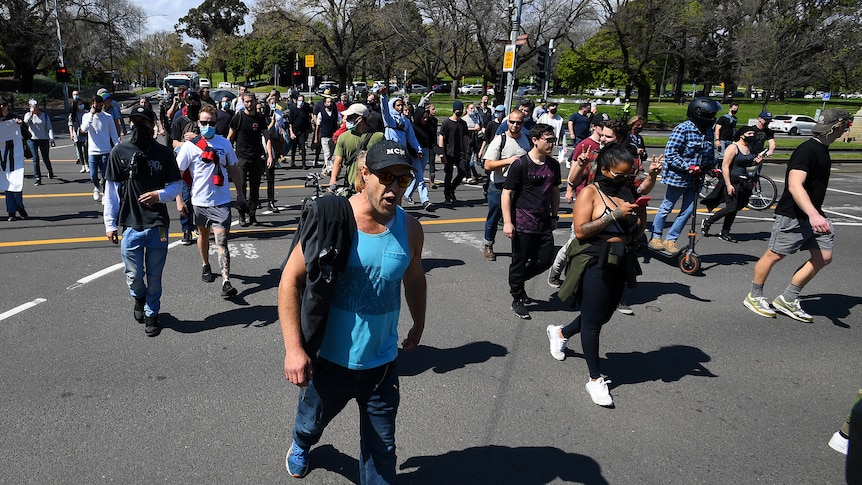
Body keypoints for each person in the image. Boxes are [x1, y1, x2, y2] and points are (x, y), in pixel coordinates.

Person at [278, 139, 426, 482]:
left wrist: (419, 323)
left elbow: (415, 279)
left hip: (382, 365)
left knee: (382, 452)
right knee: (312, 421)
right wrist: (294, 349)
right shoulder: (335, 221)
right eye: (386, 176)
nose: (394, 187)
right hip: (330, 361)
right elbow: (289, 280)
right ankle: (301, 443)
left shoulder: (411, 229)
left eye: (403, 179)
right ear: (364, 174)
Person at [546, 142, 646, 407]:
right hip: (594, 260)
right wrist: (614, 214)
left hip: (619, 259)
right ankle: (594, 379)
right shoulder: (590, 192)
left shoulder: (625, 191)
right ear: (604, 169)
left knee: (602, 315)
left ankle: (561, 333)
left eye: (629, 175)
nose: (626, 180)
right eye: (620, 174)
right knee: (592, 323)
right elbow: (580, 231)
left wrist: (641, 214)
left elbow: (635, 234)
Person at [743, 108, 851, 323]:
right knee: (774, 254)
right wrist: (813, 215)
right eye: (846, 125)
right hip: (793, 215)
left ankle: (788, 298)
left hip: (813, 215)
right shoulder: (807, 150)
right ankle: (754, 296)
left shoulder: (822, 149)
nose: (846, 129)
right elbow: (794, 185)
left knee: (823, 257)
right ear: (837, 126)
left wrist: (815, 214)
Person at [103, 106, 183, 337]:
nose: (138, 126)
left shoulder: (164, 153)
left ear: (152, 126)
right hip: (130, 224)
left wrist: (160, 195)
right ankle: (139, 297)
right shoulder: (119, 151)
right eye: (134, 121)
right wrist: (110, 224)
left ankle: (151, 313)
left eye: (143, 122)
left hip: (157, 224)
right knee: (134, 275)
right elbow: (111, 190)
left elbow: (176, 185)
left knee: (155, 276)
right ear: (129, 125)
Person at [176, 105, 248, 299]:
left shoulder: (224, 144)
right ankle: (205, 264)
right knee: (203, 236)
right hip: (199, 201)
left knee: (222, 241)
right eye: (204, 122)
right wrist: (179, 200)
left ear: (217, 124)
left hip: (221, 201)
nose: (208, 125)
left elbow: (233, 169)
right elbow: (178, 175)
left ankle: (226, 281)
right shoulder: (190, 147)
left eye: (212, 123)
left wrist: (240, 194)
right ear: (198, 123)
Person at [502, 123, 561, 320]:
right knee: (518, 262)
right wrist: (508, 222)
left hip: (544, 221)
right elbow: (507, 192)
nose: (552, 143)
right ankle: (517, 297)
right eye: (548, 139)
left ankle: (517, 281)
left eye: (553, 140)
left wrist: (554, 216)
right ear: (535, 140)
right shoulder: (521, 164)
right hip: (522, 222)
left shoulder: (553, 165)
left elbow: (554, 191)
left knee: (546, 259)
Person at [648, 97, 720, 255]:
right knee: (667, 207)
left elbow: (708, 154)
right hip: (678, 178)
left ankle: (670, 240)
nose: (711, 118)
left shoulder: (708, 131)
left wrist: (712, 168)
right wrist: (689, 167)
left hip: (696, 179)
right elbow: (671, 154)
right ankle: (655, 237)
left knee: (688, 211)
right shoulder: (683, 129)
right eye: (709, 115)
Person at [701, 125, 765, 241]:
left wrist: (757, 162)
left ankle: (725, 232)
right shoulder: (733, 147)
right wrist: (728, 184)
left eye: (753, 134)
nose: (752, 136)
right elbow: (725, 167)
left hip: (743, 181)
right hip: (732, 180)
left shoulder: (749, 147)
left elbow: (748, 165)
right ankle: (708, 221)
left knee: (735, 208)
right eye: (749, 134)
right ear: (742, 135)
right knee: (731, 208)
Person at [482, 109, 531, 261]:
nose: (515, 125)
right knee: (494, 217)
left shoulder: (526, 139)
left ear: (523, 123)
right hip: (499, 185)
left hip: (518, 186)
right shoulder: (500, 140)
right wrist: (508, 161)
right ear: (507, 122)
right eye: (512, 122)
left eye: (519, 122)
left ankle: (519, 248)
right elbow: (488, 165)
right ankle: (488, 244)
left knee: (519, 218)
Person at [228, 93, 274, 226]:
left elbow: (267, 137)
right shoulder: (238, 117)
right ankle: (242, 214)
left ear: (255, 102)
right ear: (243, 102)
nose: (249, 104)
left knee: (255, 188)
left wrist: (269, 155)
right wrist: (227, 155)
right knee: (241, 186)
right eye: (246, 101)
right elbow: (230, 138)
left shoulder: (260, 118)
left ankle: (252, 215)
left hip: (256, 157)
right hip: (241, 157)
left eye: (251, 101)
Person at [328, 103, 385, 192]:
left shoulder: (378, 137)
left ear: (360, 118)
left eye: (350, 117)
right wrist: (333, 180)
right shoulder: (343, 137)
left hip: (371, 184)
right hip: (351, 184)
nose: (346, 120)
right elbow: (337, 162)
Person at [79, 95, 120, 202]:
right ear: (93, 104)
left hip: (105, 150)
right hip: (92, 151)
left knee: (105, 175)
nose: (98, 106)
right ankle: (97, 187)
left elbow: (113, 134)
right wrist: (91, 115)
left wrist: (117, 146)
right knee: (93, 175)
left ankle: (105, 194)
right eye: (96, 104)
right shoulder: (86, 116)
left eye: (100, 103)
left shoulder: (107, 117)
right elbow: (84, 129)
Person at [2, 99, 29, 221]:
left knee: (16, 182)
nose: (2, 107)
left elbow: (28, 135)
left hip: (14, 155)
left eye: (4, 105)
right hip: (2, 157)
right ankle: (11, 212)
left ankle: (19, 206)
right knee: (7, 184)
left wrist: (21, 124)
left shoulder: (13, 118)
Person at [438, 100, 469, 203]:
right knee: (449, 174)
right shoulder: (446, 123)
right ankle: (447, 195)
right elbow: (441, 137)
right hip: (449, 153)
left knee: (463, 172)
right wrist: (442, 153)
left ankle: (452, 189)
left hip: (460, 153)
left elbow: (465, 138)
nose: (459, 111)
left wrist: (465, 152)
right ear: (453, 109)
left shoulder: (463, 124)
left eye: (460, 109)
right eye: (457, 109)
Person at [23, 99, 55, 186]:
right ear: (30, 107)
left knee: (45, 158)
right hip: (32, 139)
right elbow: (25, 123)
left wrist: (51, 139)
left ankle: (50, 171)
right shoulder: (28, 115)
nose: (35, 108)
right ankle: (38, 178)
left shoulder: (44, 116)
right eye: (33, 107)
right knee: (35, 159)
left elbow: (49, 128)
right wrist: (31, 114)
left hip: (43, 139)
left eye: (36, 106)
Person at [287, 94, 313, 168]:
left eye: (302, 100)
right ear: (296, 101)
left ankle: (303, 163)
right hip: (295, 130)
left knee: (302, 147)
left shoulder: (306, 107)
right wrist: (291, 132)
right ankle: (292, 162)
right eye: (299, 100)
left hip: (303, 130)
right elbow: (290, 122)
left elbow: (312, 111)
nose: (301, 102)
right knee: (294, 147)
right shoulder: (293, 109)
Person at [68, 93, 89, 173]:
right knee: (79, 150)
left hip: (86, 134)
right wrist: (71, 134)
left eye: (82, 104)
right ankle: (83, 165)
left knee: (85, 149)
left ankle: (87, 164)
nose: (81, 105)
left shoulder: (86, 113)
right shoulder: (72, 115)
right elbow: (70, 124)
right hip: (77, 134)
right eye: (79, 104)